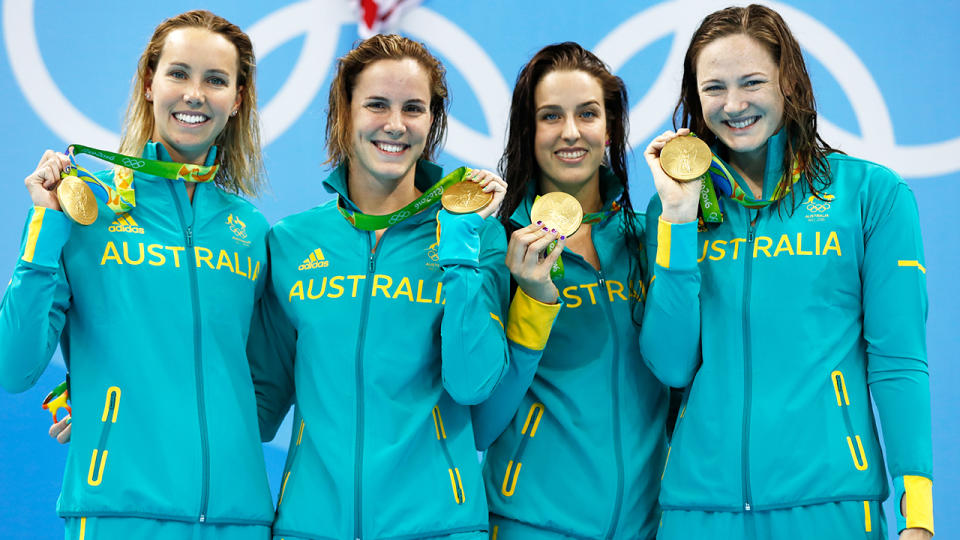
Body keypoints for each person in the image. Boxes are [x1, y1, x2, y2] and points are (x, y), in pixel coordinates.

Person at [641, 5, 933, 540]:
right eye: (714, 89)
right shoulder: (673, 209)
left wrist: (919, 516)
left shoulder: (869, 195)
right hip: (698, 510)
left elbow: (899, 361)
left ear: (789, 83)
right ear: (694, 97)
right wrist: (679, 220)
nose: (734, 105)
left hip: (832, 504)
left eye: (752, 82)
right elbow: (670, 366)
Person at [0, 10, 274, 539]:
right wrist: (44, 222)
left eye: (216, 80)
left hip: (238, 519)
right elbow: (13, 368)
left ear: (237, 100)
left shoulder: (253, 230)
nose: (195, 93)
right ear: (149, 84)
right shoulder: (87, 208)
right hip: (116, 513)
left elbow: (264, 379)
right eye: (179, 73)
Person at [247, 34, 517, 540]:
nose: (395, 125)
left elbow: (473, 383)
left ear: (432, 120)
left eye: (413, 108)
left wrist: (459, 246)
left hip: (438, 526)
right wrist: (123, 404)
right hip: (311, 527)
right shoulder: (290, 244)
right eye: (376, 105)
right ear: (343, 113)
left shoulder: (478, 239)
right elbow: (258, 407)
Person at [472, 42, 700, 539]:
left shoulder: (649, 239)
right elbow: (480, 423)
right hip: (530, 524)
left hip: (649, 526)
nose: (571, 132)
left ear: (611, 126)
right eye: (550, 116)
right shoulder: (499, 243)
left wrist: (679, 228)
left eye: (588, 114)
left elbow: (678, 368)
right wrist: (532, 303)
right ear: (528, 132)